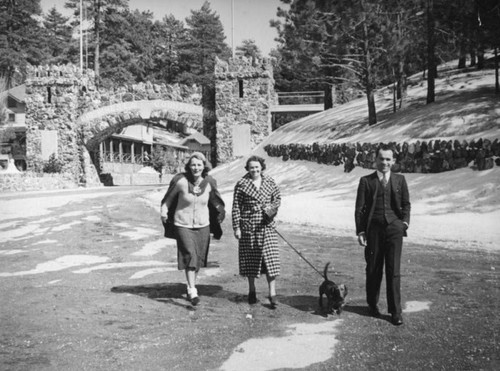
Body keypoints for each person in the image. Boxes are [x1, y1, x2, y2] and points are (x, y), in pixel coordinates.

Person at [355, 145, 411, 326]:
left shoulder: (400, 180)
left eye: (388, 159)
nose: (385, 162)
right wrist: (361, 230)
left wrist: (404, 223)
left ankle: (395, 311)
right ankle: (372, 305)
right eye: (381, 159)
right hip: (374, 231)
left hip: (394, 229)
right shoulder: (366, 181)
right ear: (375, 160)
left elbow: (406, 204)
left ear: (393, 161)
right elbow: (360, 209)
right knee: (373, 269)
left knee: (393, 270)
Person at [160, 152, 225, 306]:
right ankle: (192, 289)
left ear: (204, 166)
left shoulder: (209, 183)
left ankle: (191, 285)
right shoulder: (181, 181)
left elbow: (216, 201)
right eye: (193, 165)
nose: (196, 168)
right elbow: (167, 201)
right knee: (189, 254)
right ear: (189, 166)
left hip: (203, 225)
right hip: (182, 224)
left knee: (198, 258)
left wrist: (220, 213)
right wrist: (163, 211)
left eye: (199, 165)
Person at [232, 156, 281, 308]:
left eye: (257, 167)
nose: (255, 170)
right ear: (247, 168)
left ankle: (272, 294)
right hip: (249, 227)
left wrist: (271, 210)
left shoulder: (270, 181)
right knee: (250, 260)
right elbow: (236, 207)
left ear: (262, 167)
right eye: (251, 167)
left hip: (267, 225)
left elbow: (277, 199)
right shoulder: (242, 184)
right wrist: (237, 227)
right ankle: (252, 290)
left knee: (271, 260)